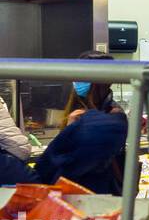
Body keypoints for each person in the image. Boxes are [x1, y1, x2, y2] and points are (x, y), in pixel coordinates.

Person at [33, 52, 128, 193]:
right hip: (71, 195)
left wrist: (71, 131)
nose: (78, 82)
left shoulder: (112, 118)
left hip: (94, 196)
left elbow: (69, 165)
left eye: (83, 76)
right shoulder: (77, 109)